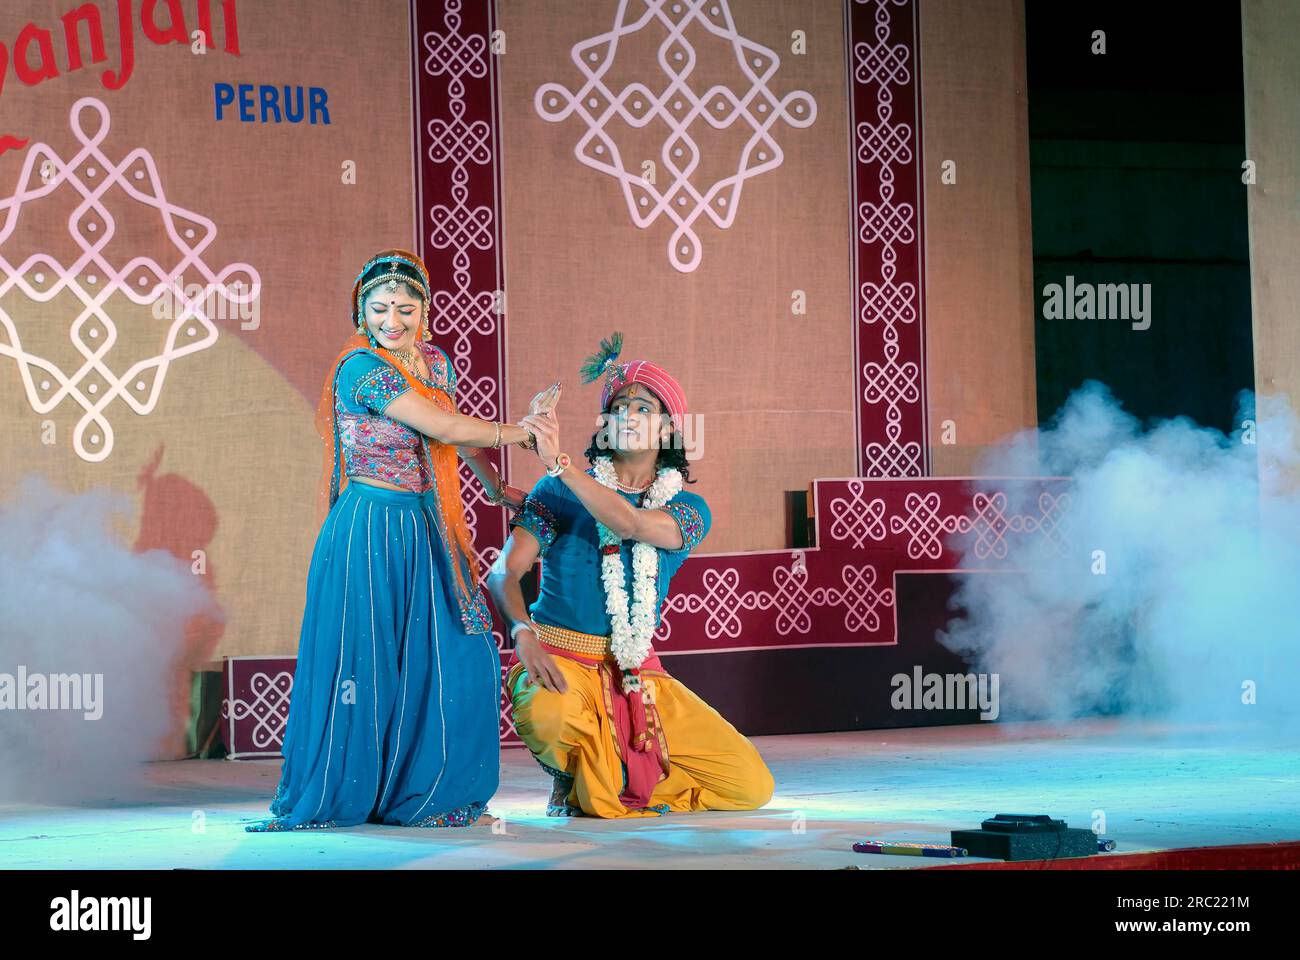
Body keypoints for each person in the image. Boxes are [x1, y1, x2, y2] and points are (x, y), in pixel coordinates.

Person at [246, 249, 552, 831]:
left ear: (425, 310)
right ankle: (348, 792)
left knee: (450, 652)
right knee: (366, 663)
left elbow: (452, 438)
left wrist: (494, 484)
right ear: (361, 312)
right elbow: (436, 424)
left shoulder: (435, 363)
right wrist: (523, 432)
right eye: (380, 308)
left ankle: (424, 788)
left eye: (406, 308)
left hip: (424, 526)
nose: (394, 320)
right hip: (368, 526)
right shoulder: (360, 368)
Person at [495, 334, 775, 818]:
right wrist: (522, 632)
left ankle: (610, 782)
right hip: (560, 657)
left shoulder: (687, 507)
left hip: (637, 674)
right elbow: (506, 571)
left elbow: (631, 523)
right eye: (618, 407)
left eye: (644, 408)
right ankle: (573, 775)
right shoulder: (557, 492)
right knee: (547, 716)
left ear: (669, 430)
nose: (627, 416)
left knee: (751, 785)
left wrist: (559, 464)